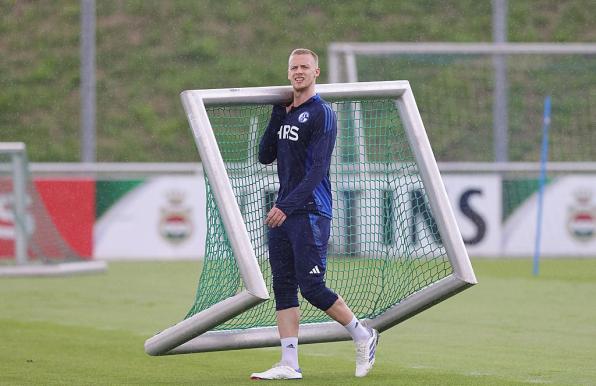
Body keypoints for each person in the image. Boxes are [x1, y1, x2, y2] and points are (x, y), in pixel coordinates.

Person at [250, 48, 379, 380]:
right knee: (283, 285)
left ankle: (363, 334)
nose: (298, 72)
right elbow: (264, 156)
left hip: (309, 210)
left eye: (305, 67)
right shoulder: (287, 113)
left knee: (311, 286)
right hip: (283, 212)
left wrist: (285, 206)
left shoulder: (322, 113)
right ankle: (289, 363)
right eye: (293, 67)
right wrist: (277, 115)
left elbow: (317, 170)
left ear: (316, 72)